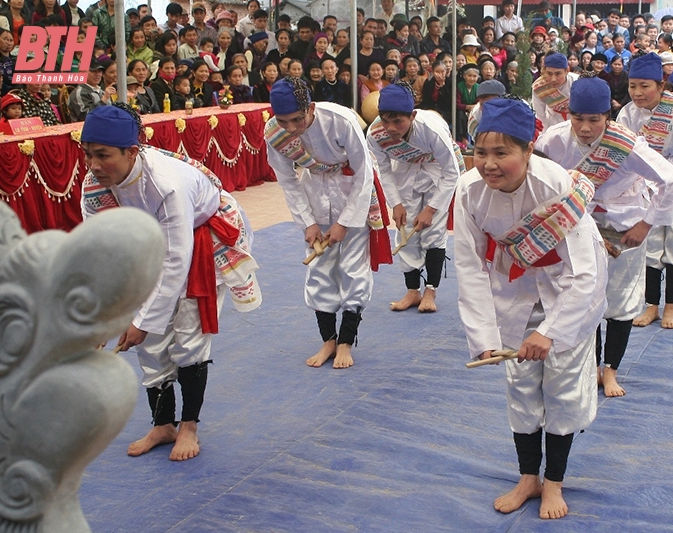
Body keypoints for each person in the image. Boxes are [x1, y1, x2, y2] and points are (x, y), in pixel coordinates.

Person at [455, 96, 607, 519]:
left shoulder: (556, 185)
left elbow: (584, 272)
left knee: (562, 391)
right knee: (520, 388)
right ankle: (528, 477)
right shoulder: (467, 191)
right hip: (514, 291)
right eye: (480, 152)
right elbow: (469, 267)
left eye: (502, 153)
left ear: (527, 149)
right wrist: (484, 337)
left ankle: (554, 482)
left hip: (568, 291)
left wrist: (551, 331)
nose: (488, 164)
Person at [80, 104, 260, 461]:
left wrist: (143, 321)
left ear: (132, 152)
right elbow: (102, 252)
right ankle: (163, 424)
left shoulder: (166, 185)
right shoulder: (94, 185)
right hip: (151, 244)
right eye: (87, 155)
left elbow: (176, 260)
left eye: (103, 155)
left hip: (202, 237)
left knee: (188, 335)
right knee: (150, 344)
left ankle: (189, 426)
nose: (93, 166)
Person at [536, 74, 673, 395]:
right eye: (578, 118)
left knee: (620, 305)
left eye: (594, 119)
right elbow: (539, 179)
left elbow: (672, 181)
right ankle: (589, 367)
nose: (585, 127)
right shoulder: (552, 140)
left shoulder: (626, 145)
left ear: (608, 116)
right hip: (577, 228)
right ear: (569, 114)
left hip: (622, 229)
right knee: (583, 301)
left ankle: (610, 370)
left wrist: (646, 224)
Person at [264, 77, 391, 369]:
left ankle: (346, 341)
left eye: (297, 119)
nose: (291, 129)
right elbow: (287, 180)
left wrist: (346, 222)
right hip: (315, 196)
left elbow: (363, 172)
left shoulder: (340, 120)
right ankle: (328, 341)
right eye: (283, 122)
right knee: (320, 270)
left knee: (352, 269)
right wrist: (307, 223)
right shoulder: (275, 133)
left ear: (310, 108)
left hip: (353, 194)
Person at [615, 55, 673, 331]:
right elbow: (625, 156)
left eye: (644, 86)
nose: (637, 93)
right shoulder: (627, 113)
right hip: (648, 188)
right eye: (632, 86)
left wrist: (663, 189)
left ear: (661, 84)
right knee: (652, 246)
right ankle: (651, 306)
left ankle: (671, 307)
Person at [367, 82, 464, 313]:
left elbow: (451, 172)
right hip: (404, 172)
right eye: (385, 120)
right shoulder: (376, 134)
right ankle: (412, 291)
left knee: (433, 233)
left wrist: (431, 209)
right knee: (405, 233)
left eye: (398, 122)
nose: (390, 128)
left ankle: (431, 290)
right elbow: (384, 170)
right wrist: (396, 204)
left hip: (437, 173)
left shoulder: (431, 130)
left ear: (412, 115)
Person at [532, 53, 579, 130]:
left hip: (575, 121)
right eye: (549, 74)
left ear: (567, 70)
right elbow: (540, 116)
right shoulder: (539, 87)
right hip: (552, 123)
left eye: (558, 74)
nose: (553, 79)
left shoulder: (577, 82)